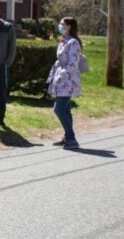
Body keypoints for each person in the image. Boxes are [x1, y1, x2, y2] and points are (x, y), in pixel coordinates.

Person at [47, 17, 82, 149]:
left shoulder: (73, 42)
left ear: (69, 27)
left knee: (59, 109)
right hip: (61, 78)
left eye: (63, 24)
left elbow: (73, 62)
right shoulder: (63, 41)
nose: (60, 26)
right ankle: (67, 137)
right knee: (66, 110)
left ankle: (71, 138)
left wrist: (65, 72)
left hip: (68, 79)